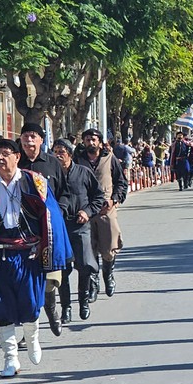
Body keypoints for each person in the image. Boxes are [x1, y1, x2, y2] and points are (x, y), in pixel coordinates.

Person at [0, 138, 72, 377]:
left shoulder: (35, 182)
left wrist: (48, 248)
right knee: (0, 307)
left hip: (28, 254)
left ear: (17, 157)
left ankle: (32, 339)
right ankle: (10, 358)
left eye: (5, 154)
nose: (0, 159)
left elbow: (52, 216)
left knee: (31, 304)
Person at [18, 123, 69, 336]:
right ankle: (29, 333)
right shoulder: (15, 162)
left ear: (41, 139)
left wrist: (59, 212)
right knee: (25, 283)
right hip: (22, 232)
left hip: (48, 230)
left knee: (49, 280)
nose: (29, 140)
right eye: (25, 136)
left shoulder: (52, 163)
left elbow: (65, 192)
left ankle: (51, 309)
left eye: (33, 136)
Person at [52, 138, 104, 323]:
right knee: (62, 269)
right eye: (55, 152)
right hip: (60, 228)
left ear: (70, 154)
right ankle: (66, 307)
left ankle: (83, 302)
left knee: (84, 266)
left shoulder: (83, 172)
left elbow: (98, 197)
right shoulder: (51, 176)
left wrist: (87, 212)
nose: (58, 155)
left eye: (61, 152)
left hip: (80, 226)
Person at [76, 128, 127, 301]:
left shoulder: (109, 158)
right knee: (89, 250)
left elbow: (121, 183)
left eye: (94, 139)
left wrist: (114, 200)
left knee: (109, 247)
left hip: (106, 210)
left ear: (99, 142)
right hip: (85, 211)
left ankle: (108, 274)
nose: (91, 142)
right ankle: (93, 283)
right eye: (87, 140)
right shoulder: (78, 160)